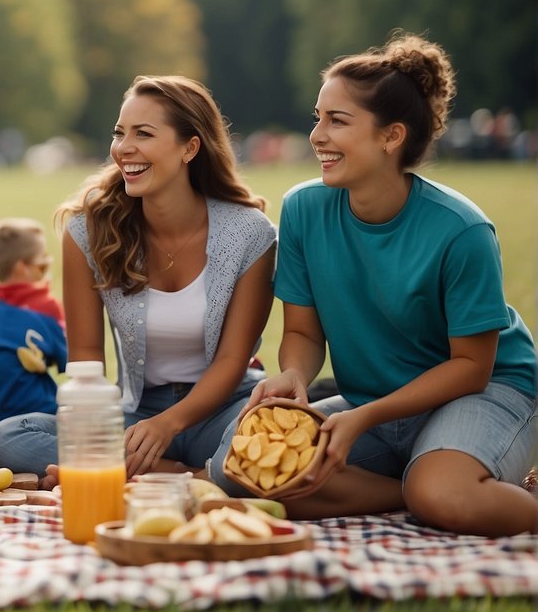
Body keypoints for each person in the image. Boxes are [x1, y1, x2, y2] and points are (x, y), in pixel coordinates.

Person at [211, 33, 537, 537]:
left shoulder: (462, 230)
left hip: (489, 390)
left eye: (337, 121)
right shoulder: (303, 209)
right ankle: (412, 490)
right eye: (317, 117)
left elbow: (472, 367)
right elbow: (302, 332)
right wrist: (294, 375)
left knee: (443, 494)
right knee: (242, 471)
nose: (317, 135)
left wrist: (363, 419)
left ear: (391, 137)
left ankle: (443, 487)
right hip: (376, 399)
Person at [0, 75, 276, 482]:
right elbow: (86, 355)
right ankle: (187, 476)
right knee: (6, 438)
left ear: (190, 147)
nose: (123, 148)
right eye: (120, 133)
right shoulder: (88, 231)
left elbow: (231, 361)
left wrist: (168, 426)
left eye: (144, 133)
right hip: (137, 411)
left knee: (261, 454)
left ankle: (136, 473)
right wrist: (92, 434)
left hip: (223, 409)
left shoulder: (250, 234)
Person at [0, 217, 67, 438]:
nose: (46, 272)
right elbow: (75, 361)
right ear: (23, 267)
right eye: (43, 265)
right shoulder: (44, 308)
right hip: (32, 420)